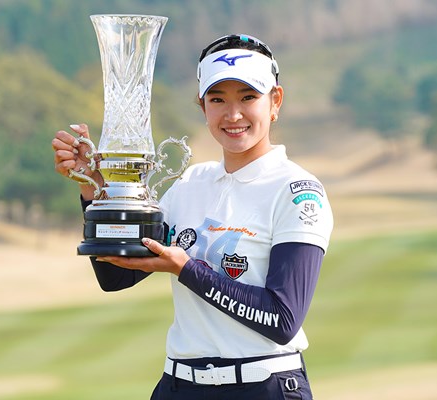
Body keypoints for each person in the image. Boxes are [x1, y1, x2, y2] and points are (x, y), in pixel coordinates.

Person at [52, 33, 333, 400]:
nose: (233, 115)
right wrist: (96, 190)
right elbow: (115, 275)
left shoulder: (296, 191)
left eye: (248, 97)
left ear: (275, 101)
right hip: (179, 386)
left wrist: (187, 269)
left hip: (264, 387)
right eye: (218, 100)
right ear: (202, 107)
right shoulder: (189, 184)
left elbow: (281, 319)